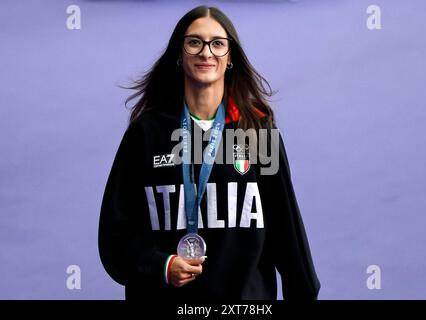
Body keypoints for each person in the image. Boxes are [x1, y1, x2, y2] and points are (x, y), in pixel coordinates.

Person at [98, 5, 320, 301]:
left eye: (218, 43)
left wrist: (303, 292)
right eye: (194, 42)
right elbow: (115, 236)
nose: (206, 52)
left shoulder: (256, 130)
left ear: (230, 57)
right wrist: (161, 265)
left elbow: (286, 231)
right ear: (179, 54)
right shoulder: (147, 133)